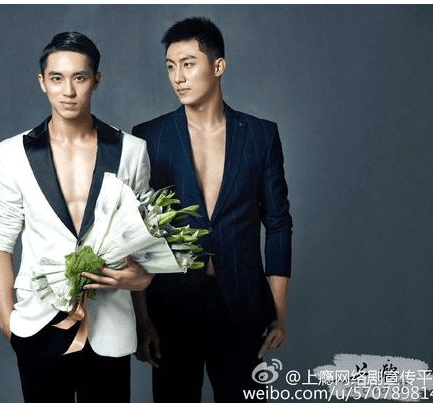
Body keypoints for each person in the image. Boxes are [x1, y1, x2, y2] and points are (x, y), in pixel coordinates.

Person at [0, 31, 153, 403]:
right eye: (57, 78)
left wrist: (143, 318)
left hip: (111, 327)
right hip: (38, 323)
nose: (69, 91)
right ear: (42, 82)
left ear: (96, 80)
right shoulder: (14, 153)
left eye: (80, 77)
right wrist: (7, 321)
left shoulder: (131, 151)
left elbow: (142, 246)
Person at [131, 17, 293, 402]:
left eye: (188, 64)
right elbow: (137, 233)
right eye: (171, 66)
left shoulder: (260, 135)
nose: (178, 77)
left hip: (242, 308)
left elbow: (278, 225)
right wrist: (143, 320)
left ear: (218, 66)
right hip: (172, 308)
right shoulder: (148, 136)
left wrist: (278, 312)